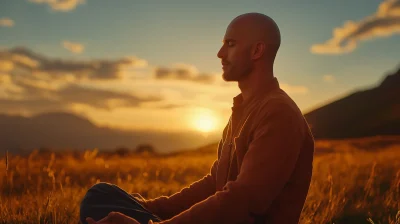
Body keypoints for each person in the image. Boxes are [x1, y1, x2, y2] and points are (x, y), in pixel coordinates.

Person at [80, 12, 315, 224]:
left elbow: (243, 201)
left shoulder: (278, 113)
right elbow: (215, 182)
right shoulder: (242, 110)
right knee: (101, 195)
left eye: (230, 44)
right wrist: (154, 207)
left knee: (101, 205)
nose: (220, 53)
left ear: (257, 51)